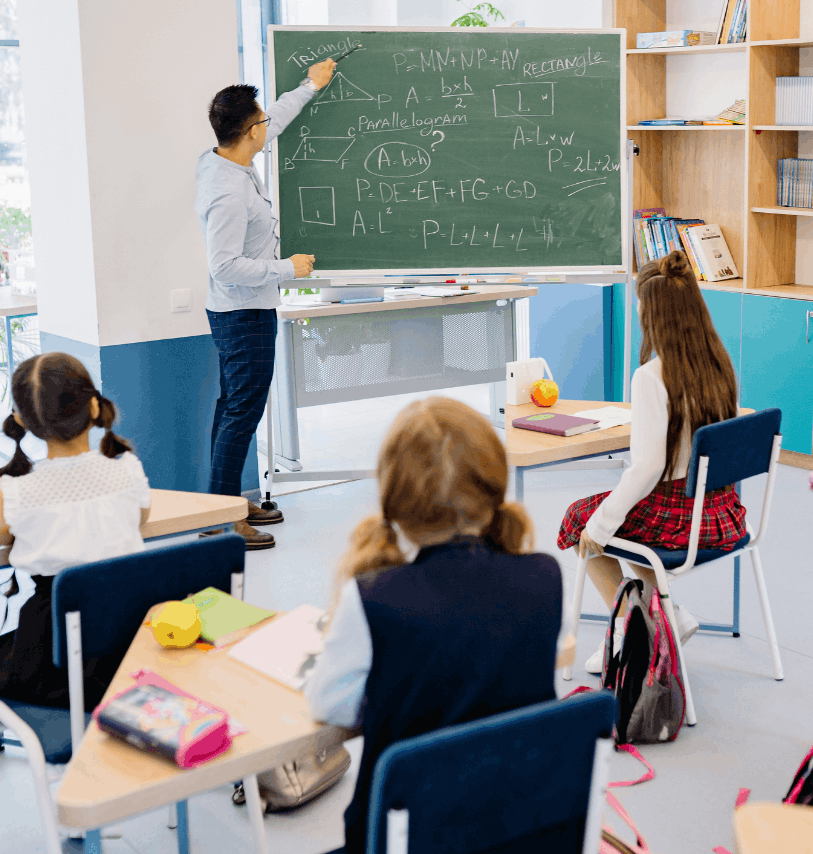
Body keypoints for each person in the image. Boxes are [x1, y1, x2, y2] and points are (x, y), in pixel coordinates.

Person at [303, 397, 562, 854]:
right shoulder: (545, 576)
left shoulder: (372, 597)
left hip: (406, 840)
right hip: (520, 833)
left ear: (395, 502)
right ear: (494, 487)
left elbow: (330, 704)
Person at [0, 353, 152, 854]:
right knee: (88, 642)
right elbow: (139, 522)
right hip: (127, 663)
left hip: (48, 667)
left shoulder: (17, 493)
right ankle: (78, 790)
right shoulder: (127, 469)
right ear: (94, 408)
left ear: (22, 422)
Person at [557, 249, 747, 674]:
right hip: (720, 511)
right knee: (629, 517)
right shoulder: (719, 364)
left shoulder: (650, 377)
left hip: (679, 520)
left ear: (652, 314)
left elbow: (646, 468)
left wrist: (598, 527)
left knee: (581, 520)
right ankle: (669, 614)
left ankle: (633, 628)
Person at [195, 56, 335, 550]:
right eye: (261, 121)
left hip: (241, 309)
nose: (266, 125)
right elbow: (224, 265)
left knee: (233, 408)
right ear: (248, 132)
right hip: (243, 313)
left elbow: (276, 117)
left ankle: (225, 504)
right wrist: (287, 268)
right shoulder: (227, 192)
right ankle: (225, 520)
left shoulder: (225, 157)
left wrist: (310, 86)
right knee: (241, 413)